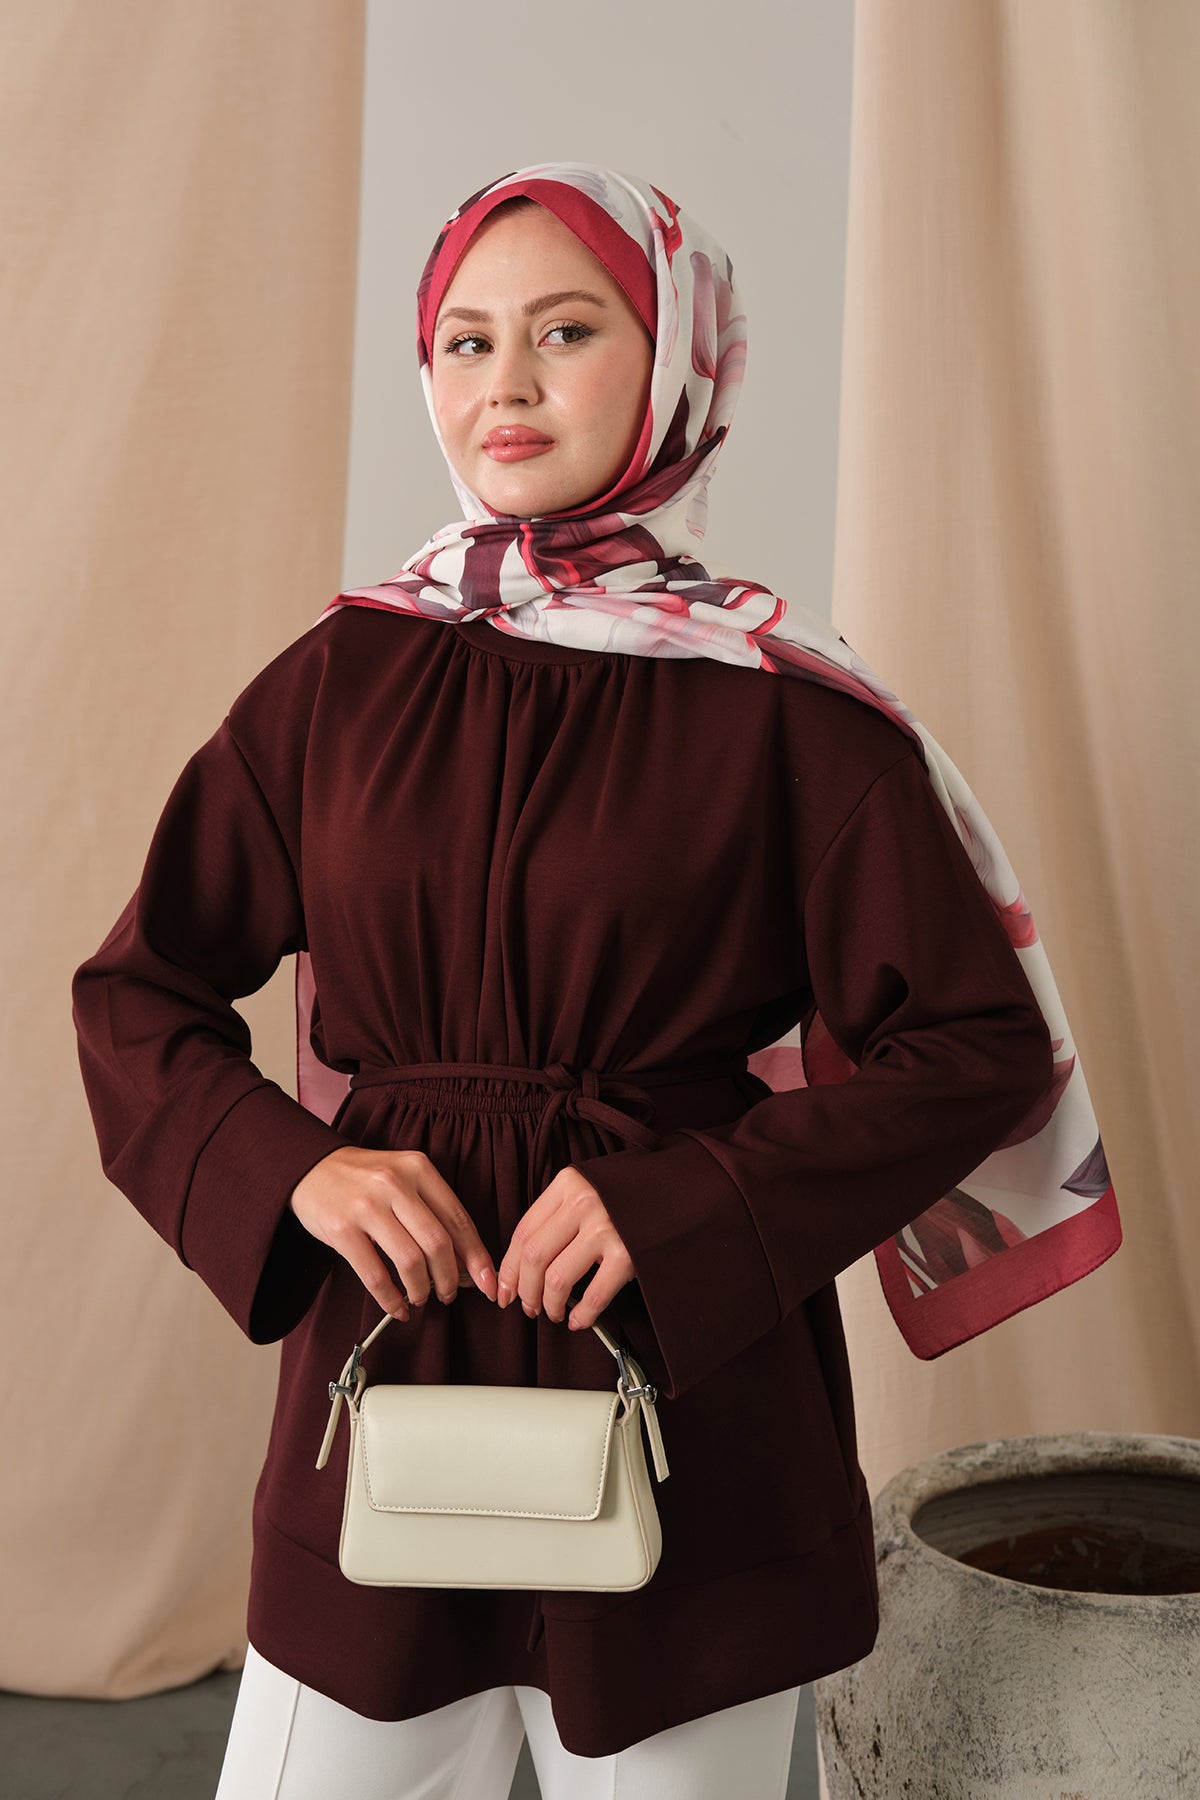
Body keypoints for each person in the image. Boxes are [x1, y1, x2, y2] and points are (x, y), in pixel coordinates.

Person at [71, 162, 1117, 1799]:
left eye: (566, 331)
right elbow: (138, 993)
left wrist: (693, 1204)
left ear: (678, 357)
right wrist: (297, 1171)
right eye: (467, 340)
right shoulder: (338, 680)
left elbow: (974, 1048)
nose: (507, 383)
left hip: (690, 1391)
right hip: (391, 1364)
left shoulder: (790, 709)